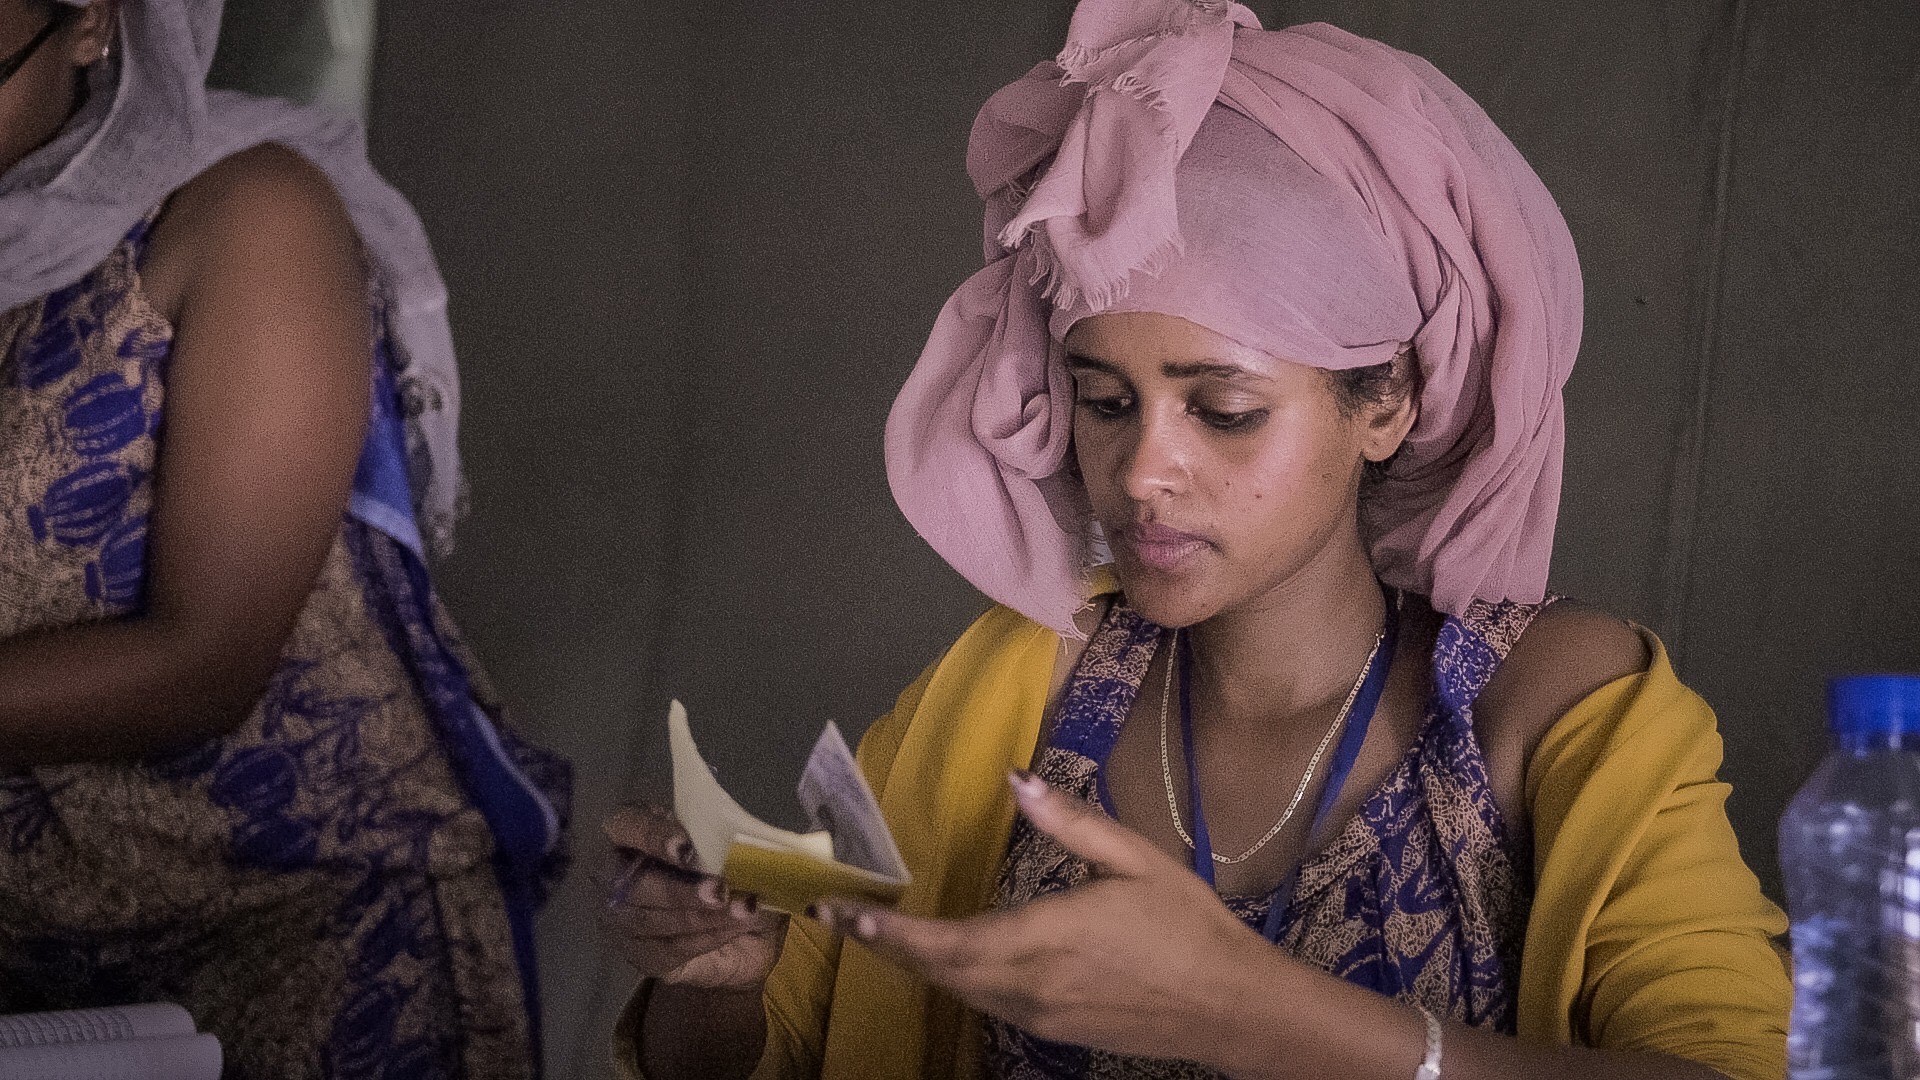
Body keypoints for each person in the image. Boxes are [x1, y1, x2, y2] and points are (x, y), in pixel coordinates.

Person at [602, 4, 1789, 1079]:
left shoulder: (1554, 713)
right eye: (1104, 401)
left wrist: (1255, 1012)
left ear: (1386, 404)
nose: (1140, 470)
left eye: (1223, 409)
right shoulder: (1013, 695)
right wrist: (710, 989)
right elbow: (788, 1051)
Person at [0, 1, 570, 1076]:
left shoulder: (242, 216)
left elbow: (204, 661)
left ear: (90, 25)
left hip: (303, 946)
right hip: (34, 973)